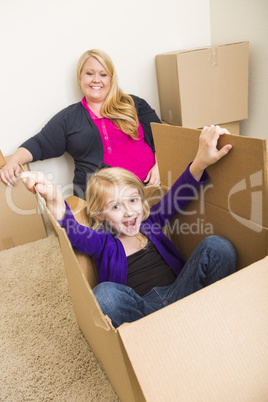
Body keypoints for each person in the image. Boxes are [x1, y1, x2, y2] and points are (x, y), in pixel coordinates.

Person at [21, 125, 237, 328]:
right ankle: (156, 337)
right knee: (103, 295)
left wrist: (201, 161)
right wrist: (54, 198)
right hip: (144, 313)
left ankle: (209, 312)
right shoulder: (102, 241)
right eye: (115, 206)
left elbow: (177, 197)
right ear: (100, 215)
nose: (129, 211)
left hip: (182, 294)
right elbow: (74, 233)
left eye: (133, 200)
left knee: (217, 246)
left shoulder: (150, 223)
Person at [0, 49, 161, 199]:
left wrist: (160, 165)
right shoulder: (69, 118)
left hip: (147, 189)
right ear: (80, 78)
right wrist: (14, 161)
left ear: (111, 78)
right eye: (89, 73)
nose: (96, 79)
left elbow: (165, 139)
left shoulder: (134, 104)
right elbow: (39, 144)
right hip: (101, 201)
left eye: (103, 74)